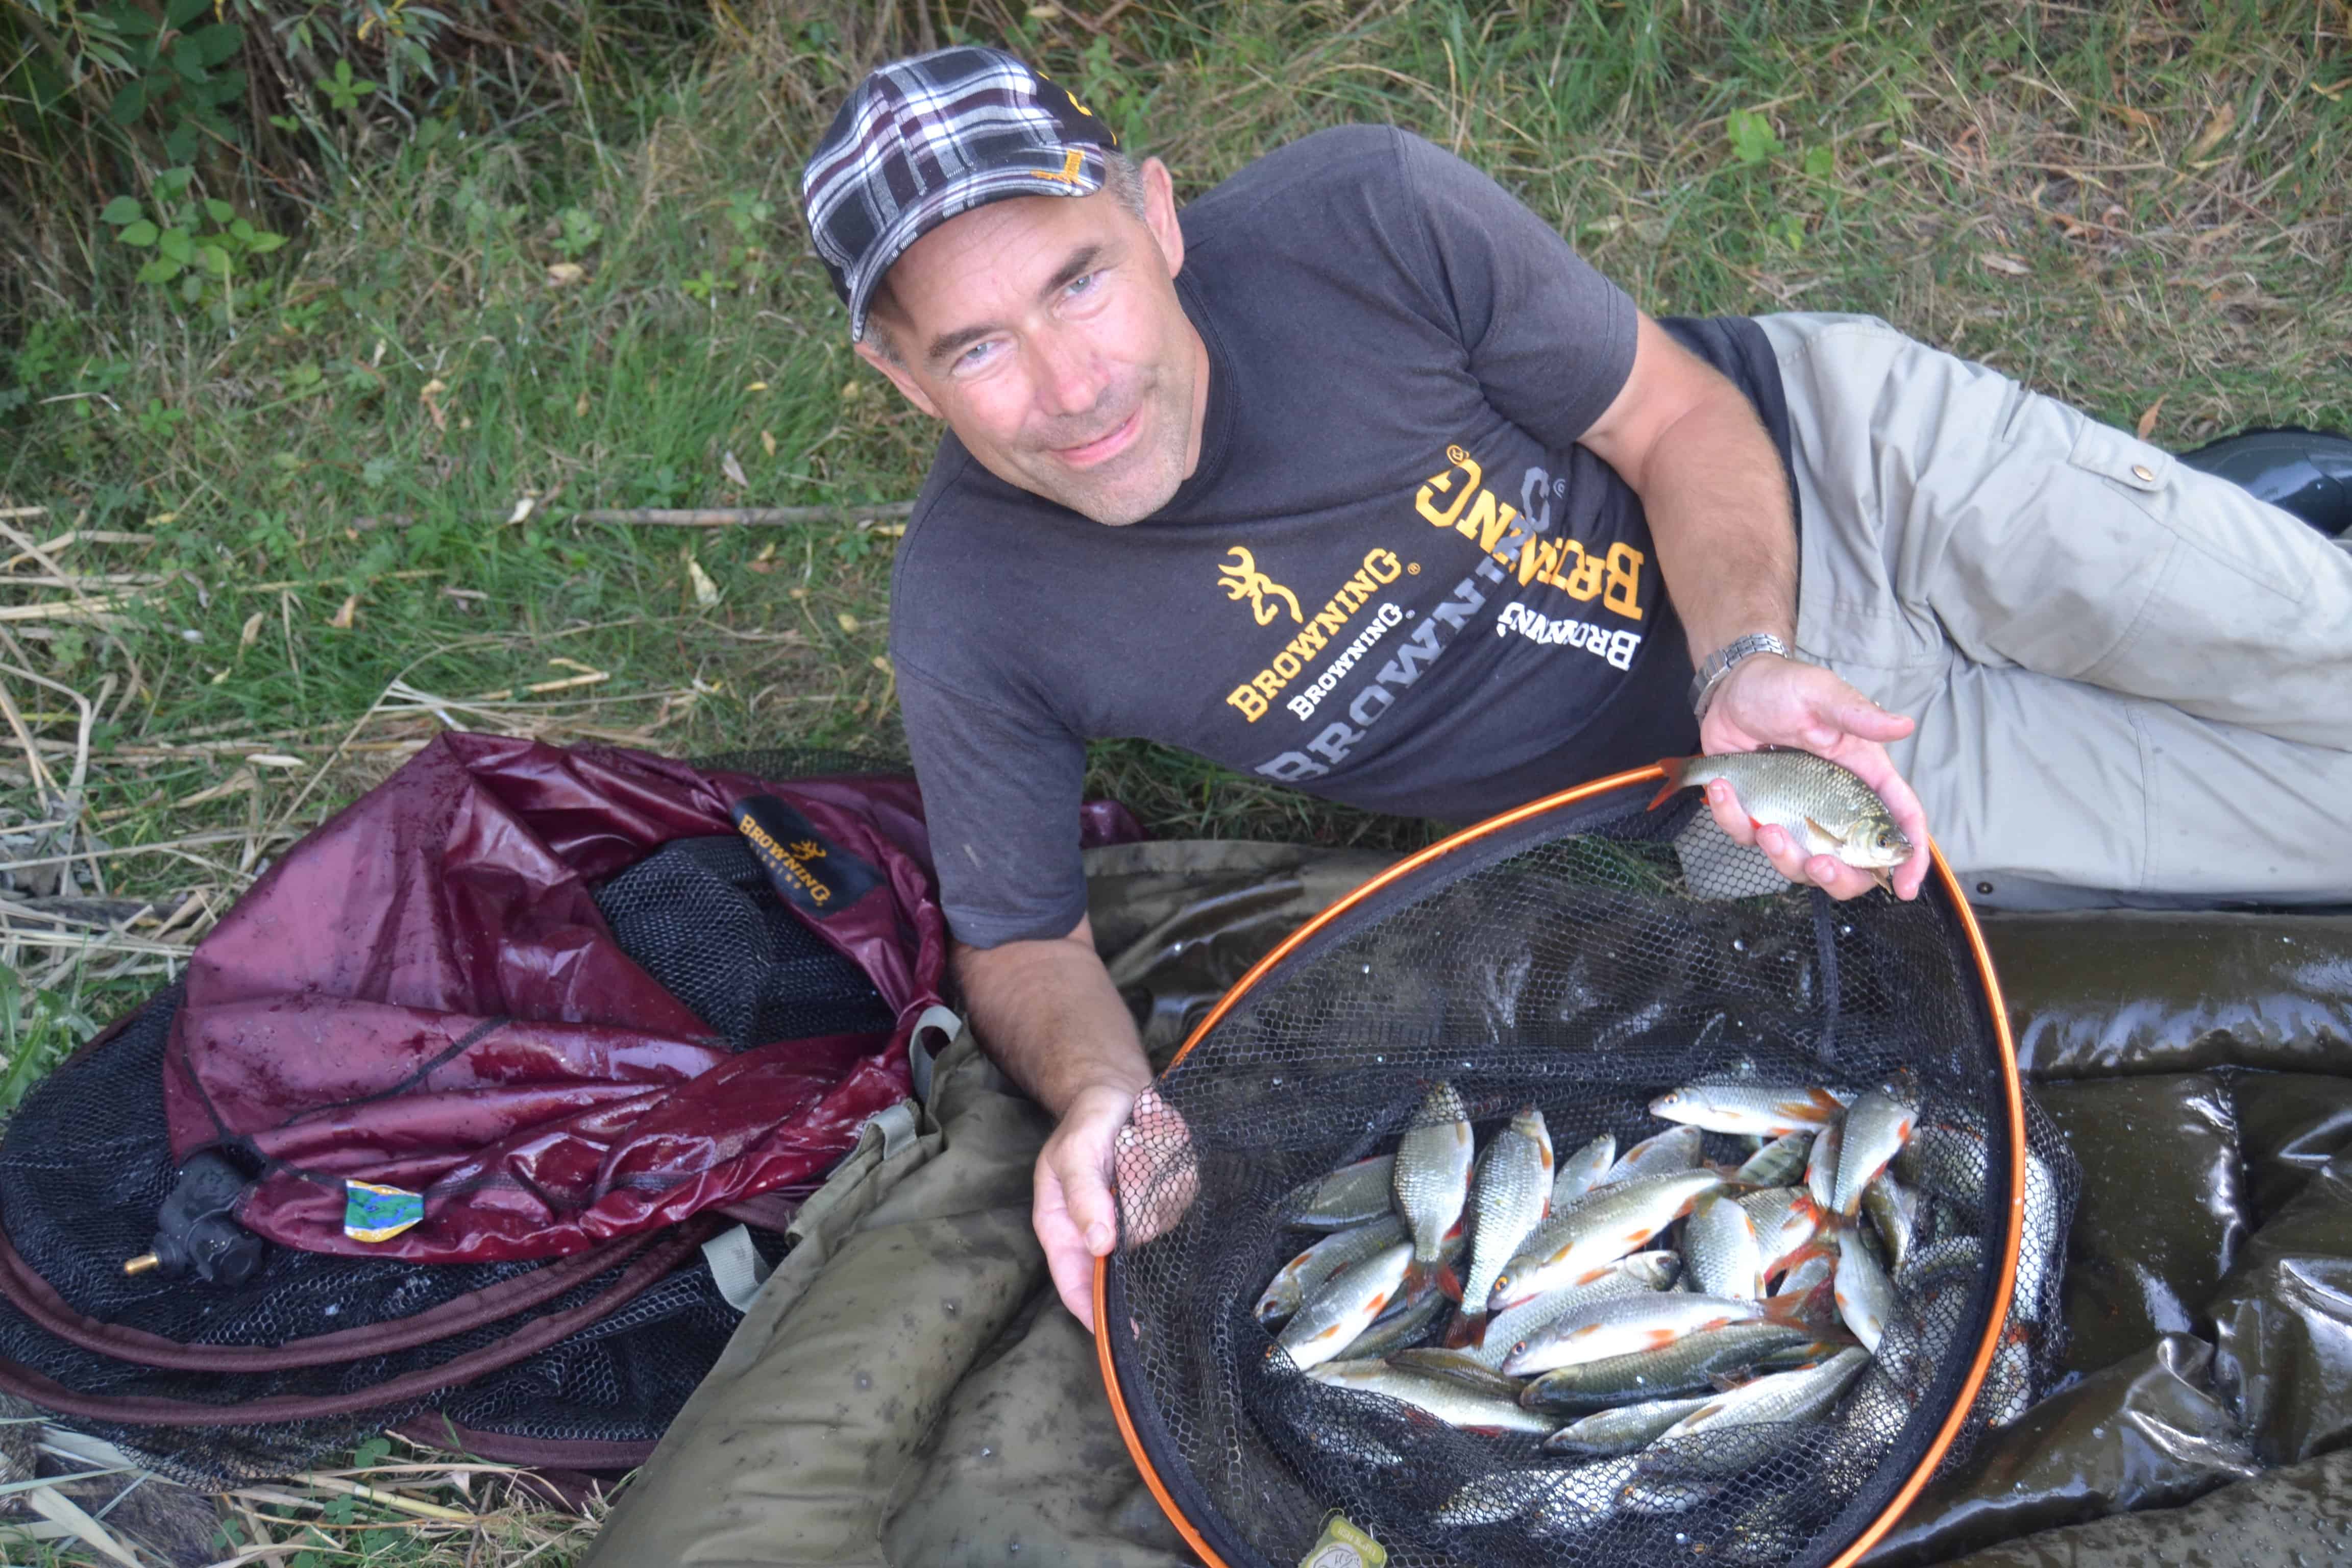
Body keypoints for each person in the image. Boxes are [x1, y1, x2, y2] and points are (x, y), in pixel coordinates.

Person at [799, 45, 2352, 1326]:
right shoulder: (972, 605)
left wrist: (1748, 657)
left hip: (1847, 480)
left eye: (1080, 283)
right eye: (979, 345)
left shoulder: (1365, 213)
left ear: (1159, 216)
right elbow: (1020, 940)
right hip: (1743, 795)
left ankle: (2234, 531)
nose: (1071, 390)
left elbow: (1678, 425)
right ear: (899, 373)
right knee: (2322, 835)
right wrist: (1100, 1099)